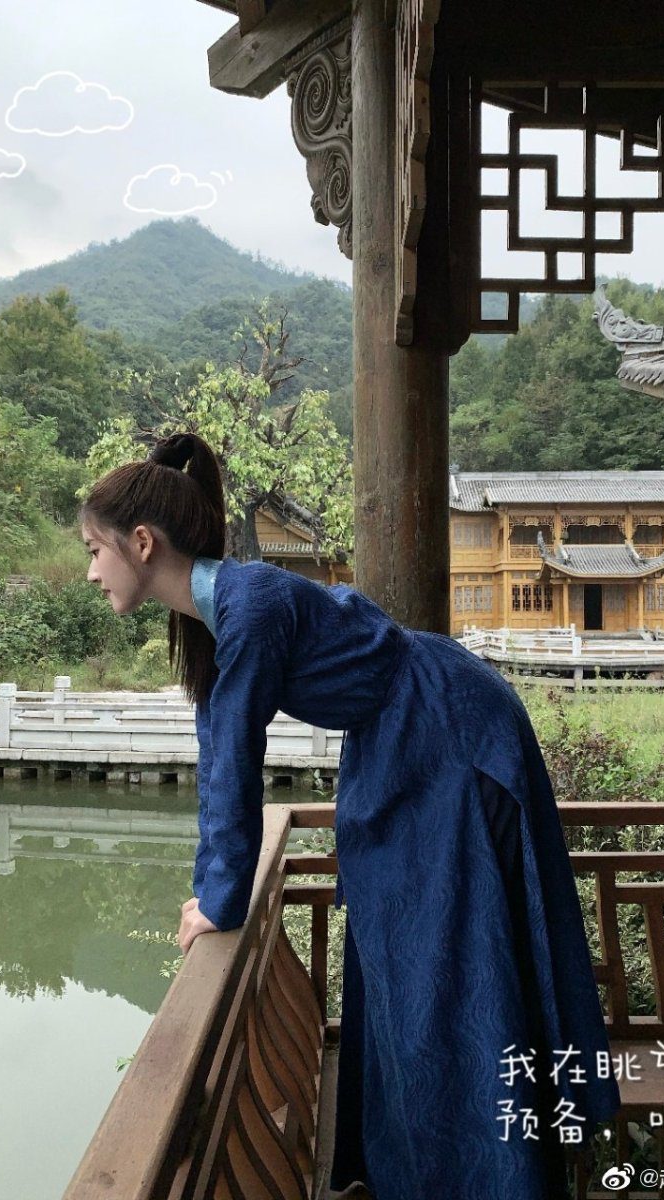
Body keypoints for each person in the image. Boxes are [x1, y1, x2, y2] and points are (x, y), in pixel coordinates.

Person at [80, 431, 620, 1200]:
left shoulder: (250, 605)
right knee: (409, 962)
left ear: (140, 542)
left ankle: (500, 1180)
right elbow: (218, 751)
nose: (90, 571)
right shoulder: (222, 617)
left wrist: (222, 902)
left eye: (95, 550)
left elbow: (235, 768)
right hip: (404, 738)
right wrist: (212, 892)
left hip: (449, 732)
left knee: (454, 962)